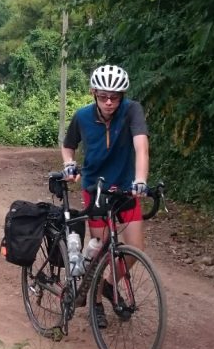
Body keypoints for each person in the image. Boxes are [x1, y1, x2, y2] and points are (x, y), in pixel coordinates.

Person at [61, 64, 149, 329]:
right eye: (103, 96)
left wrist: (141, 179)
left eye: (115, 97)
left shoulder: (132, 110)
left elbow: (141, 147)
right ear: (93, 93)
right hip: (95, 189)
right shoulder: (83, 116)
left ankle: (109, 285)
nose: (109, 102)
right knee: (99, 251)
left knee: (134, 251)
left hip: (125, 189)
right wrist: (68, 164)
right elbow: (68, 146)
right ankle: (96, 302)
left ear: (122, 96)